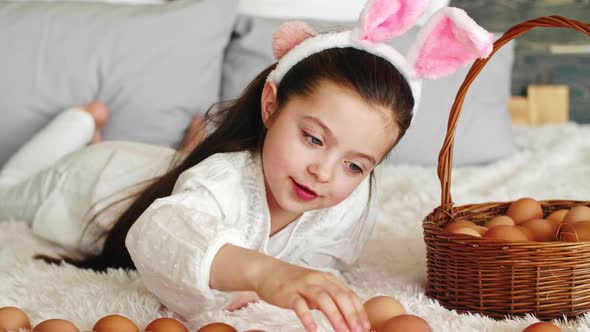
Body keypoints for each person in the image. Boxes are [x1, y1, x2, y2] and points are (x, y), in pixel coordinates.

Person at [0, 1, 494, 331]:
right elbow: (160, 233)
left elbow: (320, 260)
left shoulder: (348, 199)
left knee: (177, 167)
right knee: (11, 187)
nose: (325, 172)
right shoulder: (220, 180)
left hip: (161, 169)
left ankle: (175, 141)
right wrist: (265, 272)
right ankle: (79, 121)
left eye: (355, 165)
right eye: (313, 138)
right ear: (270, 105)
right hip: (94, 178)